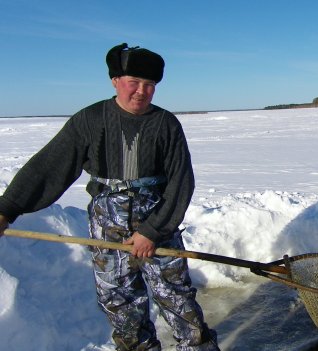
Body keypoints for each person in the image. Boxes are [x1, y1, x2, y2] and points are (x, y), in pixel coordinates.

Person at [0, 43, 220, 351]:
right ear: (115, 80)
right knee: (120, 302)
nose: (142, 91)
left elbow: (181, 183)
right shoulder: (90, 120)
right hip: (107, 225)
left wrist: (152, 231)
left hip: (158, 223)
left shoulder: (166, 124)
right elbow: (49, 167)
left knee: (175, 296)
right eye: (134, 82)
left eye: (150, 85)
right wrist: (7, 209)